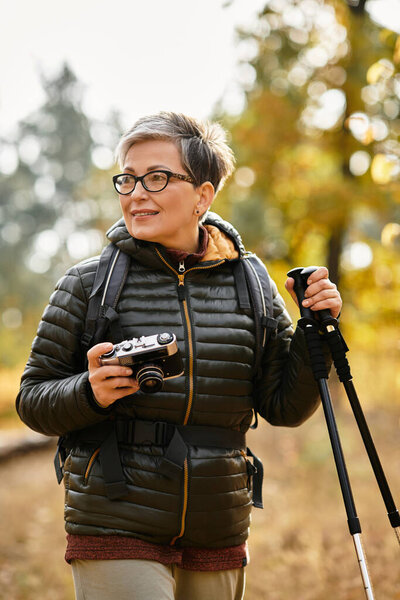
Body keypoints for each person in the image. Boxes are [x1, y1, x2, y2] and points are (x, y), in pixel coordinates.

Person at [16, 112, 342, 600]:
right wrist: (89, 392)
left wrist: (316, 331)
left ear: (203, 196)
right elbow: (32, 399)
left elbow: (284, 408)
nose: (136, 193)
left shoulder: (252, 285)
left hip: (219, 526)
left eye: (157, 177)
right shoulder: (87, 284)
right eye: (127, 179)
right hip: (114, 519)